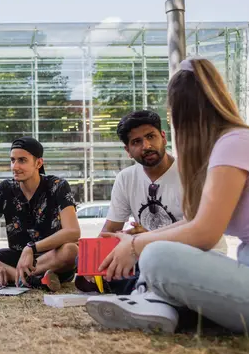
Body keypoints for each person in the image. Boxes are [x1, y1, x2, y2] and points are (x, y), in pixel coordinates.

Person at [85, 58, 249, 337]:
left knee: (156, 255)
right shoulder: (234, 142)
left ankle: (157, 302)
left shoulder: (233, 145)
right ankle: (159, 303)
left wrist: (135, 245)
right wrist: (133, 243)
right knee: (154, 252)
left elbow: (204, 232)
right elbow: (195, 221)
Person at [75, 110, 183, 294]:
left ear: (163, 137)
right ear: (128, 151)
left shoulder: (189, 172)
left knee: (149, 267)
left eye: (151, 136)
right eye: (136, 142)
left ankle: (140, 288)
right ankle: (142, 287)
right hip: (142, 254)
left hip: (185, 255)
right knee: (84, 261)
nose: (146, 146)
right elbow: (109, 231)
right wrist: (93, 257)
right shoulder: (126, 178)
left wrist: (145, 238)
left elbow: (199, 230)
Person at [0, 137, 81, 291]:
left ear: (38, 163)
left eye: (22, 160)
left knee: (70, 250)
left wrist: (31, 248)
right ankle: (25, 279)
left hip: (49, 258)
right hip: (16, 258)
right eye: (13, 160)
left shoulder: (57, 186)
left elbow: (73, 231)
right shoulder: (4, 189)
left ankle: (5, 277)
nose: (15, 166)